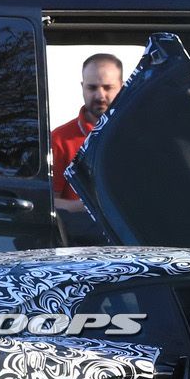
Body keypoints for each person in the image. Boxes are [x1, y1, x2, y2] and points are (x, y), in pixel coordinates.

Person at [51, 54, 123, 240]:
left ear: (122, 87)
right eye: (92, 87)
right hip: (81, 243)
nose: (100, 95)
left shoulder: (136, 135)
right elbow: (47, 202)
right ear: (82, 87)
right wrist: (84, 206)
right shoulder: (59, 139)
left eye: (108, 87)